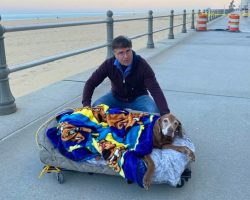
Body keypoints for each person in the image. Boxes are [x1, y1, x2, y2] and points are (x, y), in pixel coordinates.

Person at [82, 35, 170, 116]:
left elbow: (155, 90)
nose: (126, 56)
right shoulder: (108, 64)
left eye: (128, 51)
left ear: (131, 49)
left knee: (154, 111)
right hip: (115, 97)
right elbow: (90, 83)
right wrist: (86, 105)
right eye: (121, 53)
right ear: (115, 54)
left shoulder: (142, 65)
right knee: (96, 108)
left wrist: (165, 112)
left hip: (139, 98)